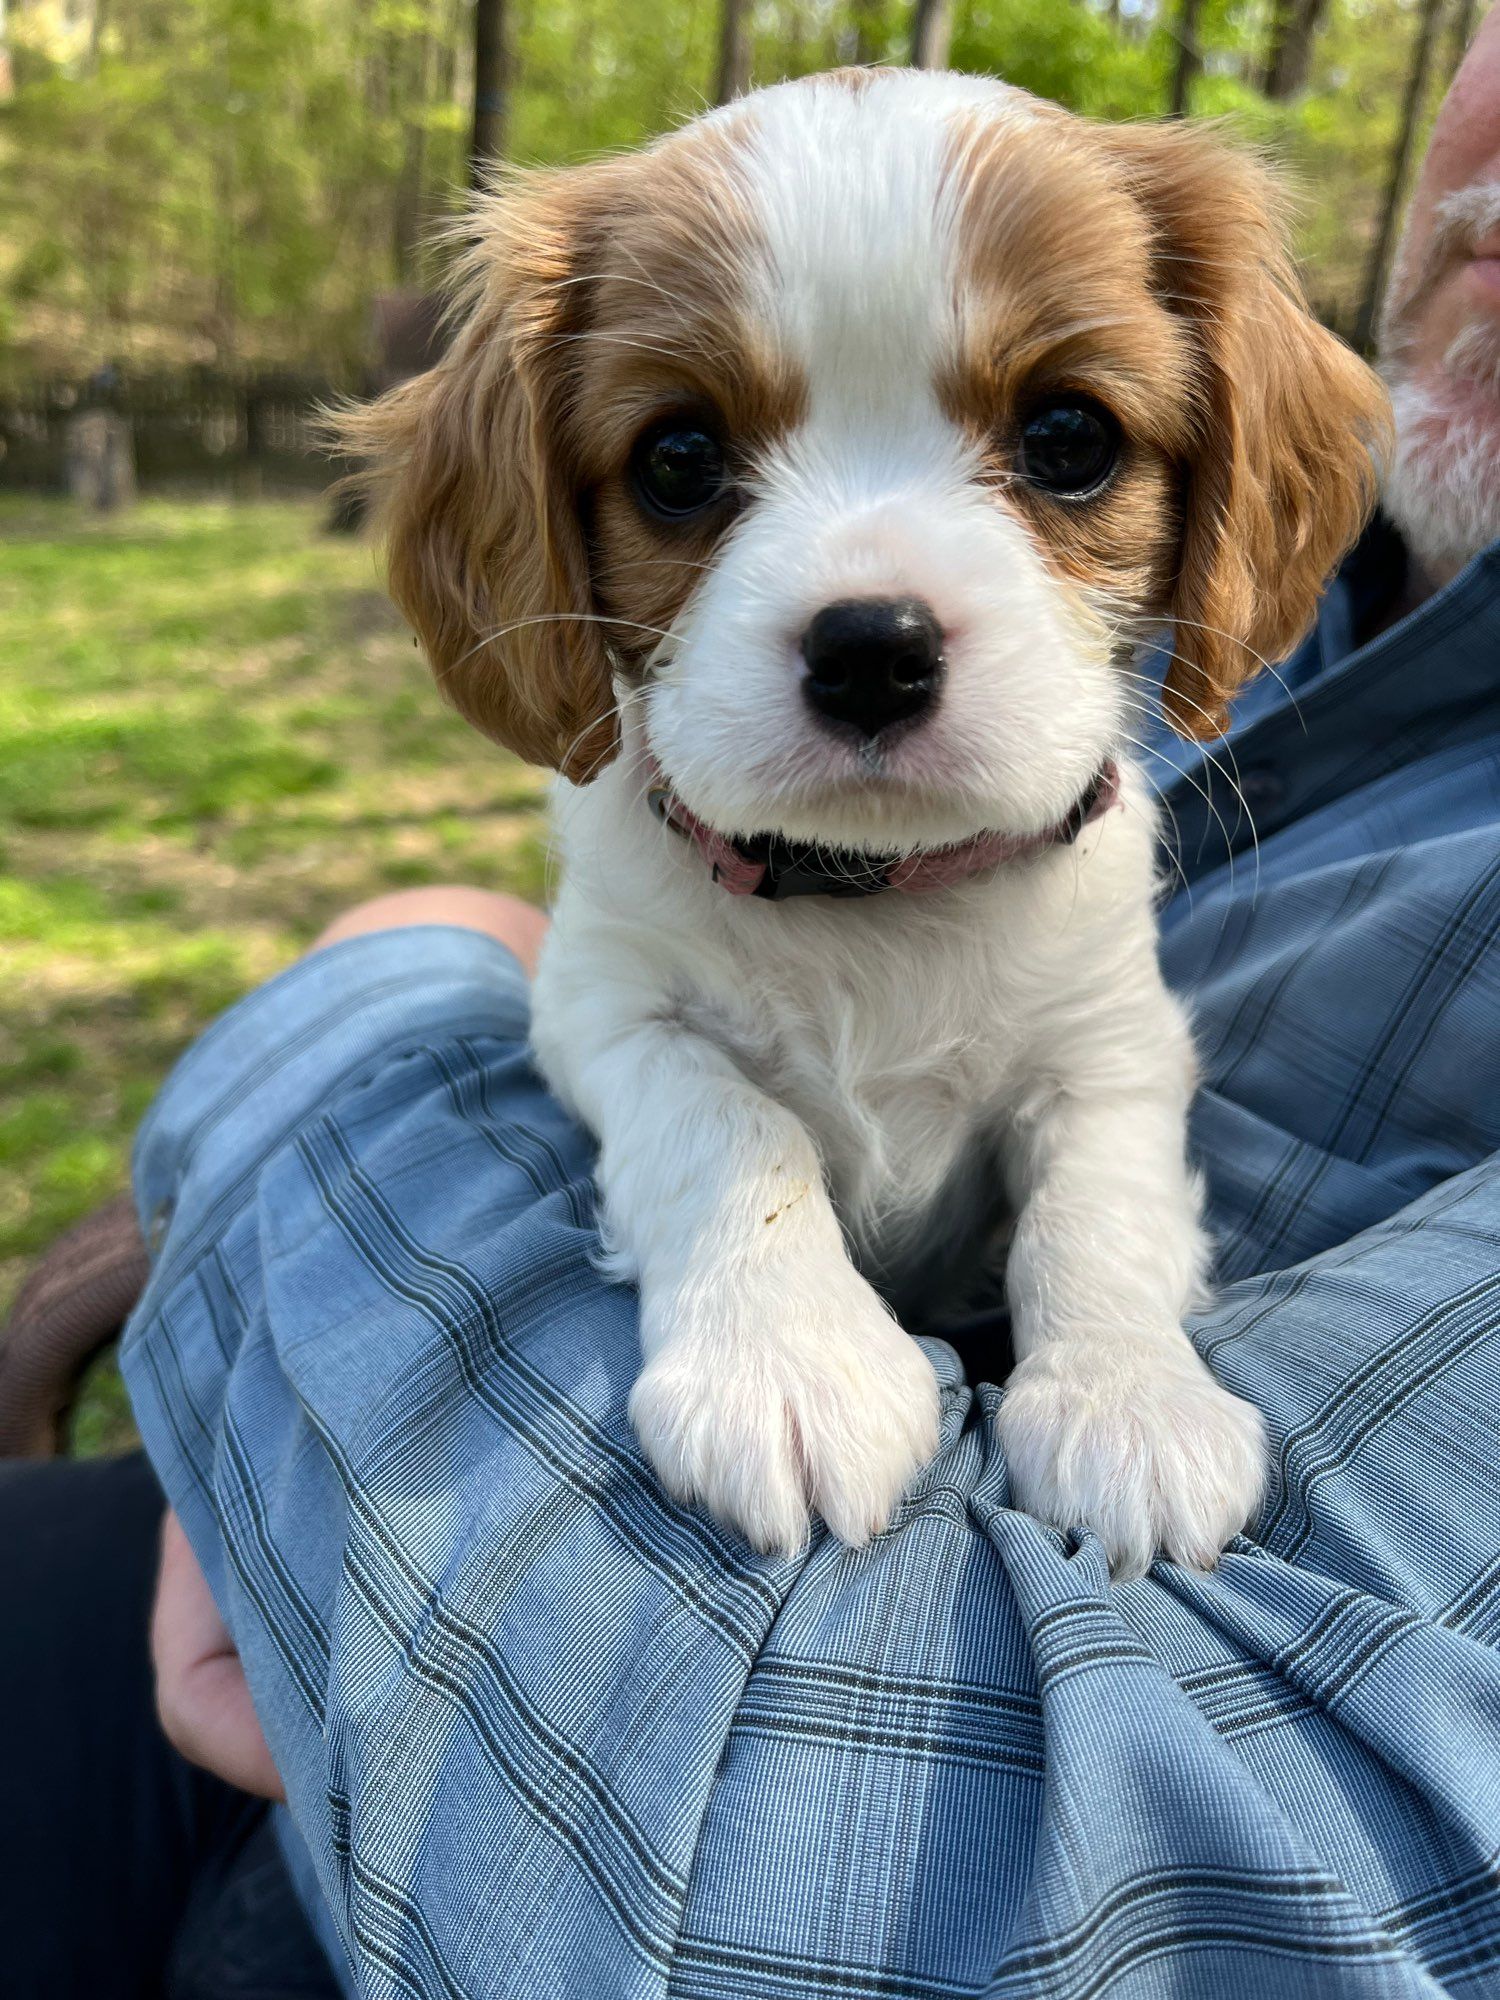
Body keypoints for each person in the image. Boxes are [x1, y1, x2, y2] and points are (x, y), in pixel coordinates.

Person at [5, 18, 1500, 1996]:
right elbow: (613, 1016)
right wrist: (736, 1219)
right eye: (687, 465)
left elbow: (1104, 1069)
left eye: (1062, 444)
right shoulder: (1359, 626)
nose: (870, 605)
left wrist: (1111, 1332)